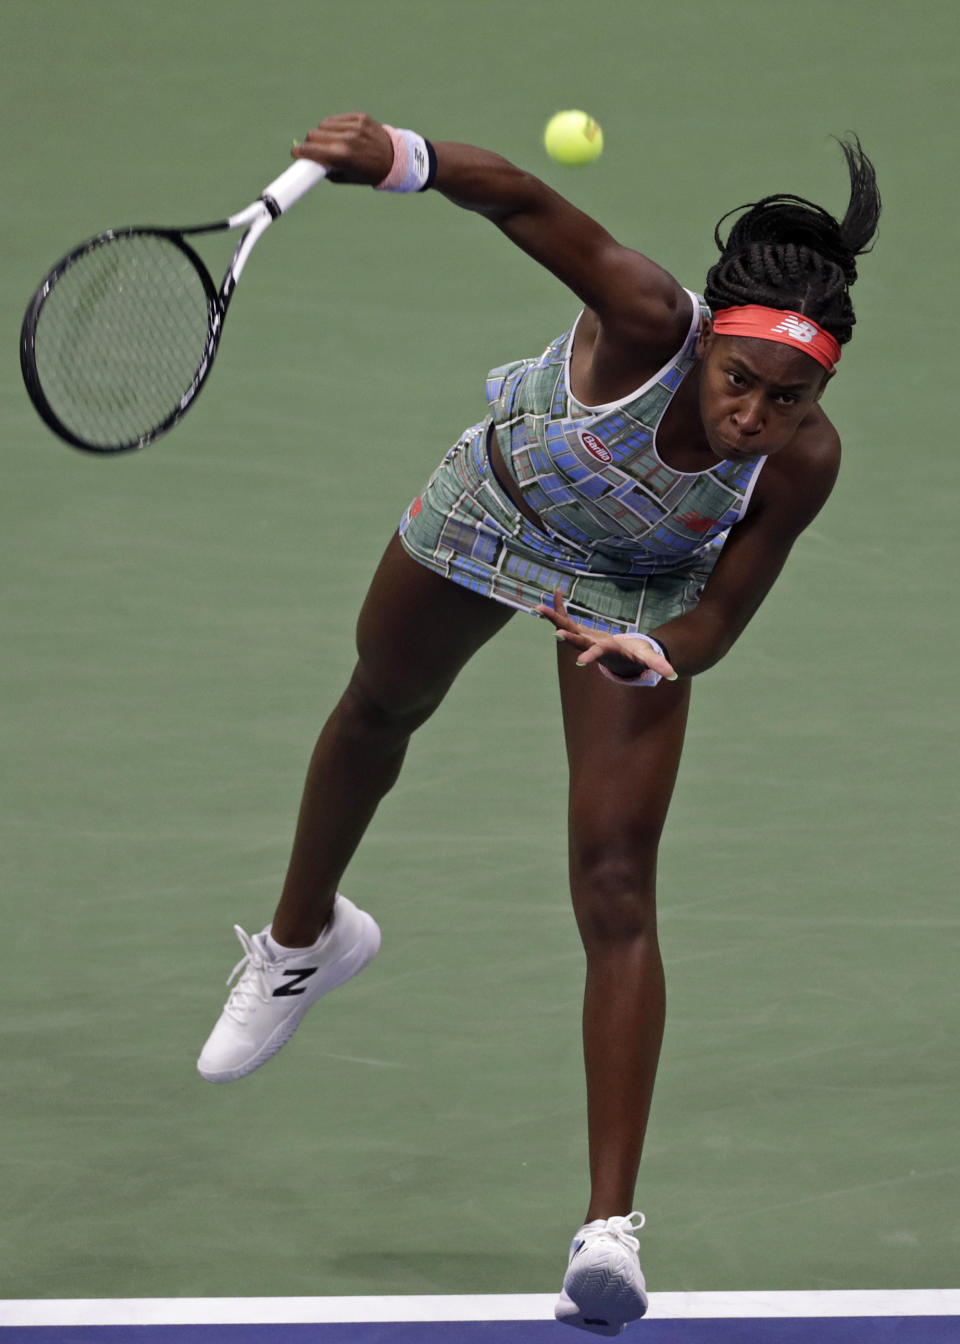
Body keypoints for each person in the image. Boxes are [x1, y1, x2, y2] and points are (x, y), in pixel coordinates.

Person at [197, 115, 880, 1336]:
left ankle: (607, 1229)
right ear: (710, 344)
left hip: (635, 593)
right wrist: (396, 153)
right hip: (495, 509)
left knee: (618, 882)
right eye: (743, 383)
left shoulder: (804, 463)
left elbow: (726, 609)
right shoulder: (640, 320)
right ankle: (306, 939)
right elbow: (515, 197)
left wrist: (659, 653)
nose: (757, 417)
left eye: (792, 397)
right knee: (378, 709)